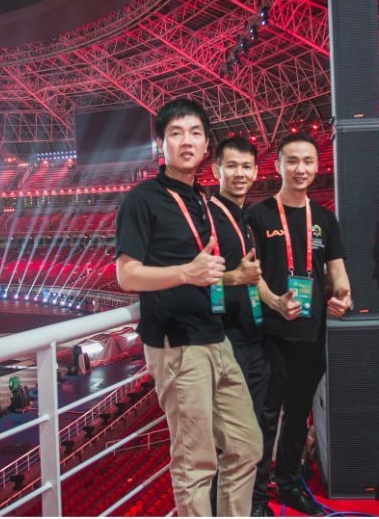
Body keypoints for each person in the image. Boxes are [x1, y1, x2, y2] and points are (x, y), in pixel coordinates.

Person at [115, 98, 262, 517]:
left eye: (195, 133)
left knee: (246, 446)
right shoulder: (142, 199)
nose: (186, 141)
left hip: (216, 338)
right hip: (178, 346)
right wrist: (186, 272)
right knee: (196, 463)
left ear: (205, 144)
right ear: (160, 145)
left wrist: (231, 278)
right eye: (175, 133)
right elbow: (127, 276)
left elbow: (205, 272)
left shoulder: (201, 198)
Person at [250, 132, 351, 517]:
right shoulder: (258, 216)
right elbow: (251, 275)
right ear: (278, 166)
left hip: (311, 334)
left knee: (298, 414)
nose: (300, 168)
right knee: (266, 416)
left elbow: (337, 270)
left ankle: (290, 484)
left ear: (317, 166)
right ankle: (258, 496)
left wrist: (343, 296)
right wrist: (274, 301)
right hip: (271, 335)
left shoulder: (324, 219)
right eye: (292, 161)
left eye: (308, 161)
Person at [208, 136, 269, 515]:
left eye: (246, 166)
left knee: (253, 435)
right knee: (233, 443)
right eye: (232, 166)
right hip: (225, 340)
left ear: (257, 172)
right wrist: (234, 278)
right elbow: (192, 278)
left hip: (254, 338)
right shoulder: (207, 217)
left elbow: (256, 278)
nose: (240, 173)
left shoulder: (248, 218)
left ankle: (249, 507)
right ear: (217, 170)